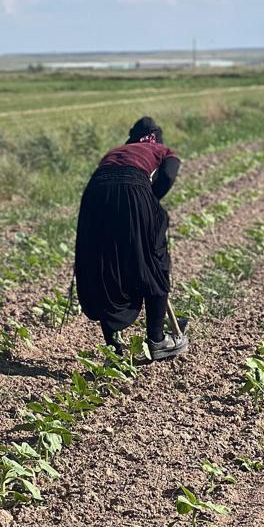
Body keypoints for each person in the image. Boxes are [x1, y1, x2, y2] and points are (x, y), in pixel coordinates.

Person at [75, 116, 186, 361]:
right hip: (133, 188)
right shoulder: (163, 150)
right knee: (154, 259)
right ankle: (156, 340)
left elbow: (107, 176)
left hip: (94, 196)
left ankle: (113, 350)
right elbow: (167, 176)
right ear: (157, 137)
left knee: (106, 262)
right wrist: (148, 205)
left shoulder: (117, 151)